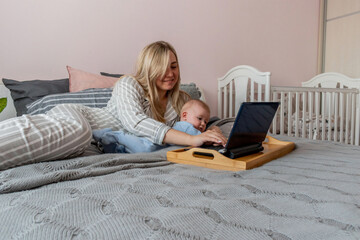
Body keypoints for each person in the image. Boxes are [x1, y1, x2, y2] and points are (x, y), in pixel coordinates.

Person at [0, 41, 226, 170]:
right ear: (148, 68)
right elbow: (134, 123)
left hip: (97, 147)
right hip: (80, 120)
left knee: (74, 156)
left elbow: (201, 121)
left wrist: (212, 131)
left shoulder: (182, 100)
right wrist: (191, 139)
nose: (170, 74)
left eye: (174, 66)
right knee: (78, 133)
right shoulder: (129, 84)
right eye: (162, 67)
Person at [93, 99, 211, 153]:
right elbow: (203, 138)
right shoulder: (187, 127)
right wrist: (214, 137)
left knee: (121, 151)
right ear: (184, 115)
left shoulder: (192, 129)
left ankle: (107, 144)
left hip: (156, 150)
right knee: (143, 148)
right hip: (151, 143)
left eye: (206, 122)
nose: (202, 124)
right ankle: (113, 134)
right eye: (200, 118)